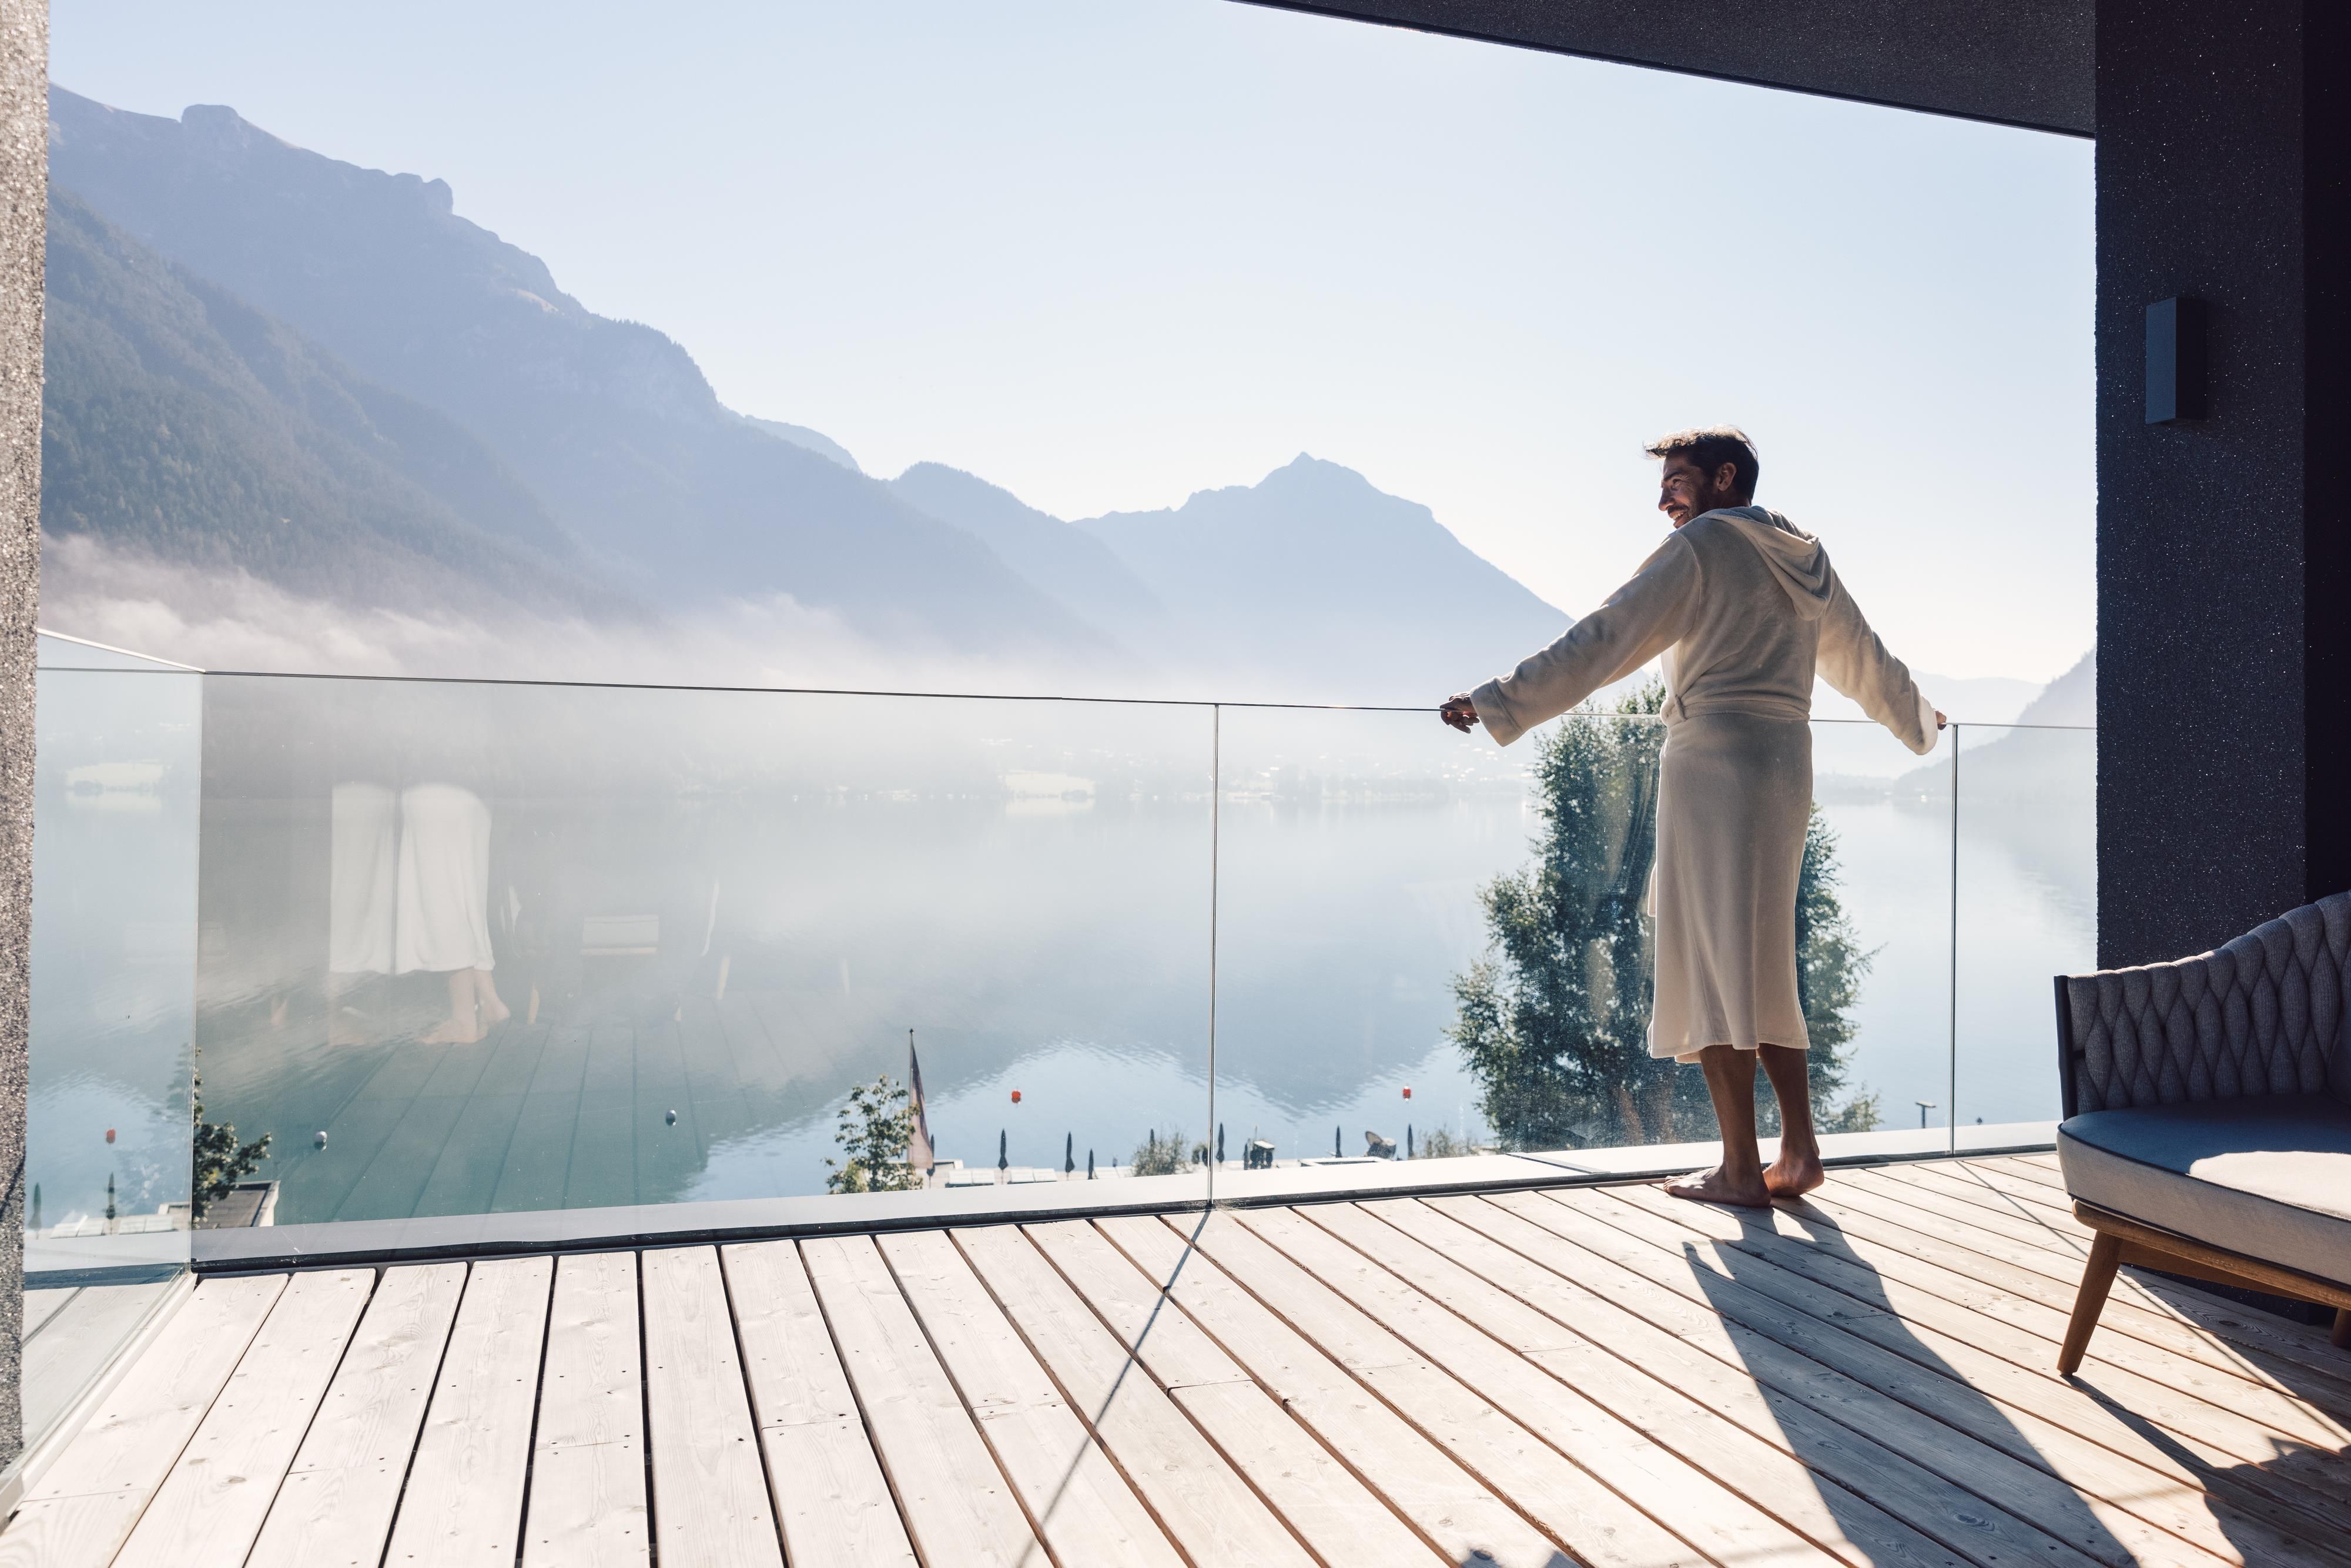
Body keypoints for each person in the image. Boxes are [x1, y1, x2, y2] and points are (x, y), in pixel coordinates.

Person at [1441, 427, 1943, 1205]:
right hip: (1784, 764)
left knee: (1707, 954)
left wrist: (1496, 701)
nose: (1664, 498)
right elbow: (1860, 656)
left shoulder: (1704, 546)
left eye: (1677, 480)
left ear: (1724, 477)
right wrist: (1919, 719)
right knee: (1764, 954)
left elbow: (1606, 637)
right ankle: (1800, 1151)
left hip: (1713, 763)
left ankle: (1741, 1169)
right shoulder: (1804, 556)